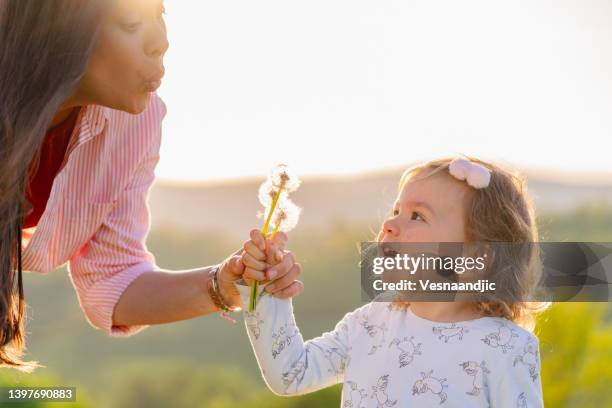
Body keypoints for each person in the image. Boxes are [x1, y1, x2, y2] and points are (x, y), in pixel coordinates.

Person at [0, 0, 302, 372]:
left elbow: (113, 278)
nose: (161, 41)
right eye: (130, 23)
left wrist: (224, 285)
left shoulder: (135, 124)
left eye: (161, 15)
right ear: (60, 29)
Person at [239, 157, 549, 407]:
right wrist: (265, 287)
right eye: (396, 210)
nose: (389, 224)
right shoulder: (371, 324)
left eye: (417, 216)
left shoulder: (504, 347)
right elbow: (292, 373)